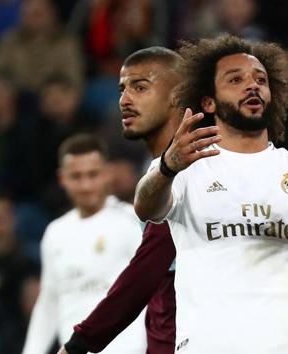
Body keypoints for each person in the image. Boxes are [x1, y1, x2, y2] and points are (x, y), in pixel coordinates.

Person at [133, 35, 288, 353]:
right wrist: (167, 167)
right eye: (235, 79)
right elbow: (146, 206)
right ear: (208, 101)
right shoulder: (188, 166)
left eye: (260, 80)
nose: (252, 86)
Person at [58, 46, 183, 354]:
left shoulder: (193, 169)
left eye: (140, 87)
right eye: (122, 89)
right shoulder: (161, 171)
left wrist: (79, 344)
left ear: (177, 96)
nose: (125, 100)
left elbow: (146, 270)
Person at [22, 134, 146, 354]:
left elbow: (151, 288)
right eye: (76, 176)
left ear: (108, 173)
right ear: (62, 179)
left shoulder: (131, 221)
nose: (86, 185)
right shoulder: (55, 232)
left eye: (93, 174)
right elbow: (49, 301)